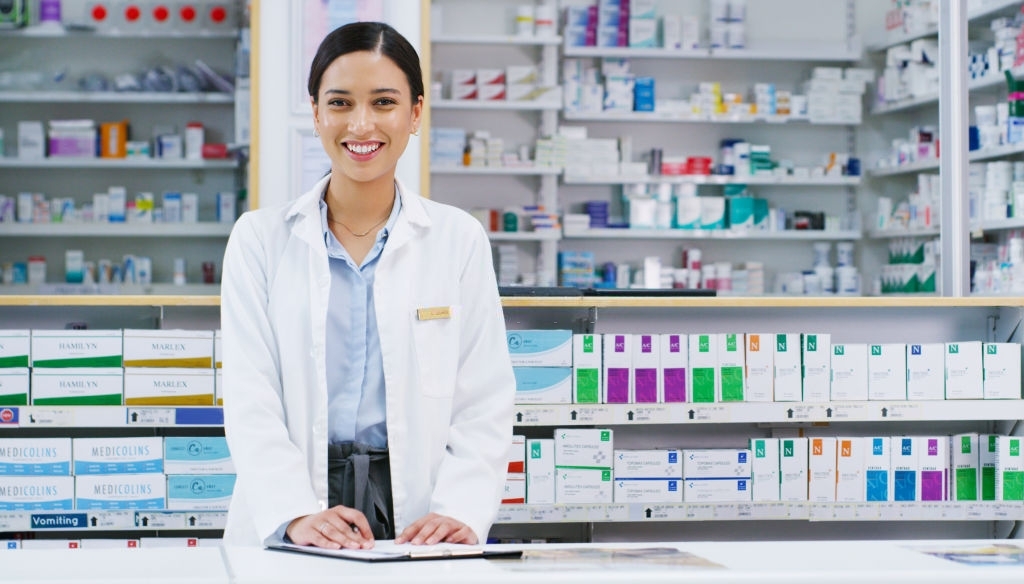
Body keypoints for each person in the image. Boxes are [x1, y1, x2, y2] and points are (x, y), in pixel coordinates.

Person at [219, 21, 515, 550]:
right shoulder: (259, 240)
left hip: (419, 513)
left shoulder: (458, 239)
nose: (361, 125)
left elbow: (484, 397)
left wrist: (461, 509)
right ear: (316, 113)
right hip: (298, 502)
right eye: (339, 103)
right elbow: (249, 397)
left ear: (416, 113)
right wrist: (293, 512)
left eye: (383, 102)